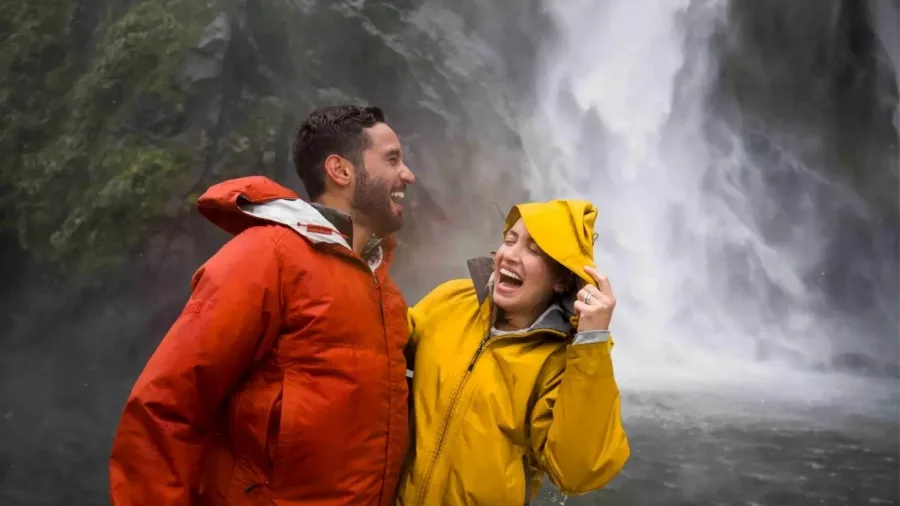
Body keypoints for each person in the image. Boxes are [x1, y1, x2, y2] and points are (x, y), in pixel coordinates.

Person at [109, 105, 416, 506]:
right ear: (341, 171)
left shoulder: (386, 293)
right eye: (392, 159)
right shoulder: (266, 257)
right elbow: (166, 407)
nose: (408, 174)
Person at [398, 200, 630, 505]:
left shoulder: (560, 363)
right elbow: (378, 349)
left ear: (562, 279)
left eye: (534, 250)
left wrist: (592, 342)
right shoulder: (451, 300)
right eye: (510, 240)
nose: (510, 255)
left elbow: (577, 472)